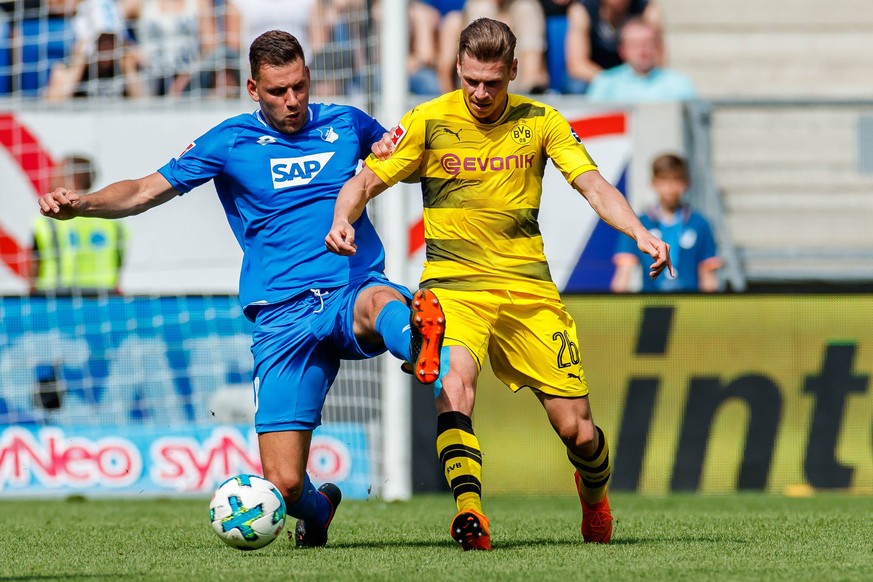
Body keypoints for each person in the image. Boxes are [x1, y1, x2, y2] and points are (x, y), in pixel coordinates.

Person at [36, 30, 446, 549]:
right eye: (278, 91)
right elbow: (144, 190)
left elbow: (403, 164)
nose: (292, 100)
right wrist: (83, 203)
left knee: (381, 301)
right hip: (281, 315)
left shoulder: (347, 123)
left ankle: (420, 343)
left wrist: (397, 147)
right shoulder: (228, 142)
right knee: (286, 484)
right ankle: (317, 514)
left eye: (299, 86)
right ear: (253, 88)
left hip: (348, 284)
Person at [326, 18, 673, 550]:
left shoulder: (542, 121)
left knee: (578, 431)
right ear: (457, 69)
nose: (481, 93)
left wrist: (640, 232)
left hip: (527, 290)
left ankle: (595, 499)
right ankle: (470, 515)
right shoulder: (426, 120)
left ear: (514, 71)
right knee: (452, 383)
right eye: (471, 81)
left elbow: (594, 185)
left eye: (493, 81)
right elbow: (368, 178)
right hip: (453, 285)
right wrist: (342, 216)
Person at [612, 153, 721, 292]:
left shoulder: (700, 224)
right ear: (653, 182)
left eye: (676, 180)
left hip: (689, 307)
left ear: (686, 182)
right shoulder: (639, 224)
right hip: (652, 305)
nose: (670, 187)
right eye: (664, 180)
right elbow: (624, 273)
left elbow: (708, 276)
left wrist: (710, 311)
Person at [31, 155, 128, 295]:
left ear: (71, 179)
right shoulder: (113, 225)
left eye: (57, 174)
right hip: (105, 299)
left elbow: (34, 266)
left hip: (57, 300)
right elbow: (119, 263)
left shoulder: (49, 220)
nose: (52, 178)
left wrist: (32, 295)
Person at [43, 0, 144, 100]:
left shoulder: (126, 65)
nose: (106, 47)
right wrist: (78, 67)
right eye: (100, 40)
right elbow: (53, 103)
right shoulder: (65, 67)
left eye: (111, 39)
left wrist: (129, 70)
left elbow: (145, 106)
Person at [586, 18, 696, 102]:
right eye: (635, 44)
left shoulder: (679, 83)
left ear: (657, 47)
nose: (642, 51)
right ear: (622, 50)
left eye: (647, 43)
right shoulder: (605, 83)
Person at [564, 0, 660, 93]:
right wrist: (612, 82)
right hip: (595, 76)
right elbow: (576, 65)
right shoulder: (582, 11)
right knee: (577, 86)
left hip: (634, 73)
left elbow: (657, 58)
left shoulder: (647, 10)